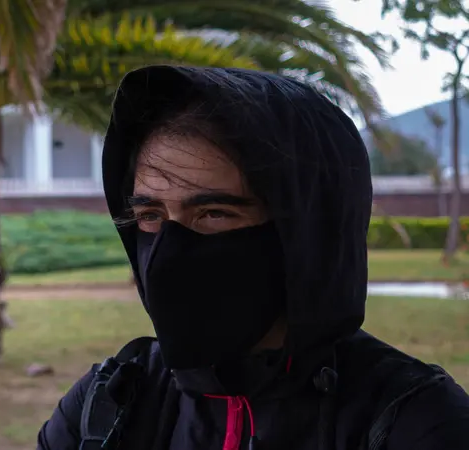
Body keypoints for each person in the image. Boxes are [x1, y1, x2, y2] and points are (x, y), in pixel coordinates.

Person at [37, 65, 469, 450]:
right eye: (151, 215)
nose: (169, 250)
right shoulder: (109, 402)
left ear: (305, 229)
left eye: (213, 213)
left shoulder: (413, 421)